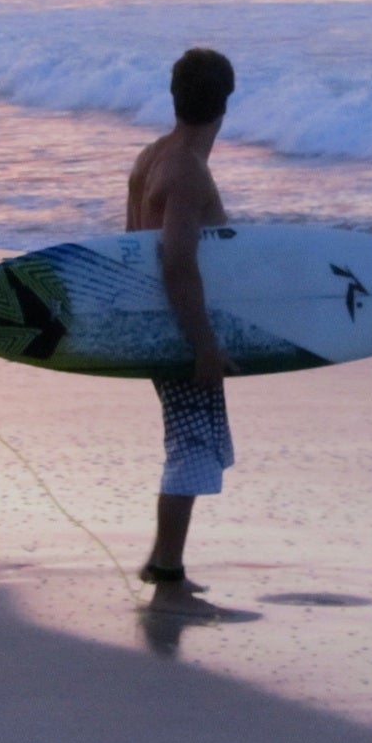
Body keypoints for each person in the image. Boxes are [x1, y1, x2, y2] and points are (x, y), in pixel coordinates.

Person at [125, 47, 237, 616]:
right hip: (181, 325)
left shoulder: (152, 156)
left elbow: (130, 248)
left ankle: (169, 559)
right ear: (226, 104)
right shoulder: (188, 172)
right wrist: (203, 344)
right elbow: (175, 261)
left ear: (174, 98)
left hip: (160, 321)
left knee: (189, 441)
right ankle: (164, 563)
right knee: (191, 446)